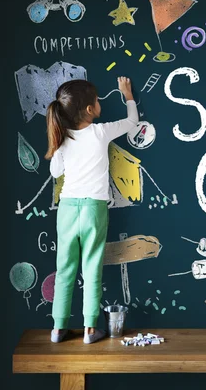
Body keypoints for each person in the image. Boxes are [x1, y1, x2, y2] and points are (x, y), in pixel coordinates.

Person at [45, 77, 138, 343]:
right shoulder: (100, 132)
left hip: (67, 209)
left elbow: (55, 172)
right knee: (92, 267)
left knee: (65, 269)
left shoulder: (63, 139)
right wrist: (127, 94)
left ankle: (58, 328)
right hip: (93, 209)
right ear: (89, 110)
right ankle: (89, 330)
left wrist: (58, 149)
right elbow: (132, 122)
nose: (100, 104)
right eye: (97, 101)